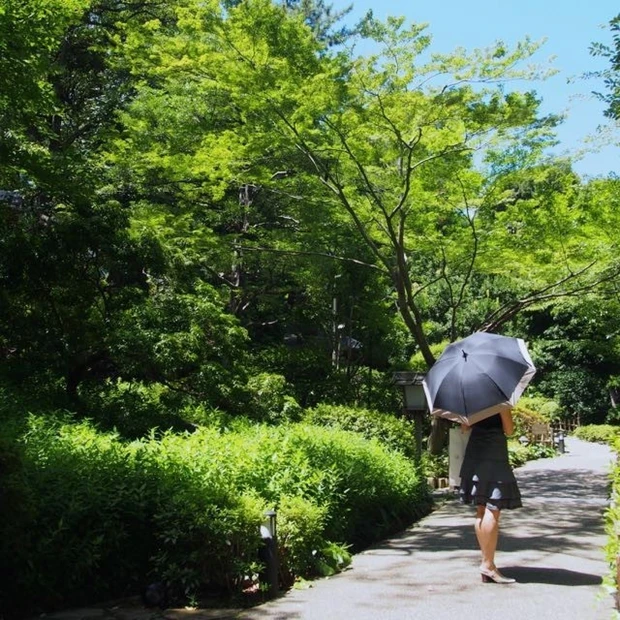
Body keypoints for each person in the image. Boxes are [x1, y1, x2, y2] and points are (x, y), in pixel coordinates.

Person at [459, 407, 521, 584]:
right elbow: (509, 430)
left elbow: (464, 428)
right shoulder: (500, 400)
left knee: (480, 509)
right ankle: (488, 564)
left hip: (475, 451)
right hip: (494, 451)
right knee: (493, 509)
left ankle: (486, 562)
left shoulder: (470, 400)